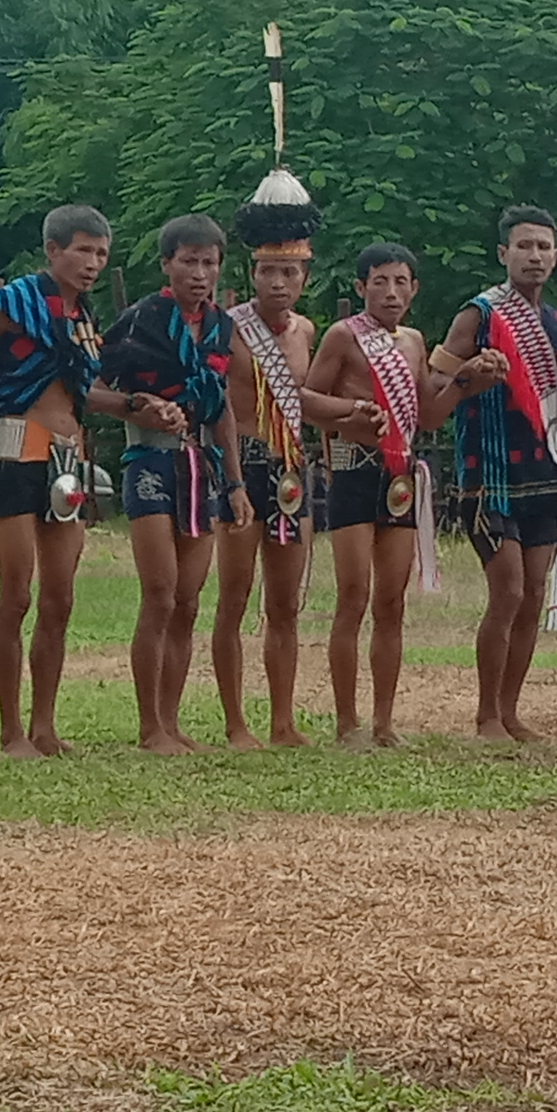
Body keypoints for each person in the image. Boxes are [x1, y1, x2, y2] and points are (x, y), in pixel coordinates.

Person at [0, 205, 157, 756]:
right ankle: (10, 730)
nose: (93, 263)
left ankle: (44, 726)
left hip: (69, 455)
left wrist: (133, 405)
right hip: (19, 443)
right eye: (83, 250)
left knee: (59, 598)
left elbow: (81, 391)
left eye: (101, 254)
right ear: (53, 250)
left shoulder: (82, 318)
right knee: (16, 594)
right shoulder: (15, 302)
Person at [208, 170, 357, 748]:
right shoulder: (228, 328)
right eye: (268, 271)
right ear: (252, 273)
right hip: (243, 463)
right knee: (234, 597)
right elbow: (218, 402)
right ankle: (235, 722)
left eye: (289, 272)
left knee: (286, 603)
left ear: (305, 276)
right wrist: (229, 476)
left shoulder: (306, 331)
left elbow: (305, 400)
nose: (278, 282)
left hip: (290, 468)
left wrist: (352, 415)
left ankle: (282, 720)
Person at [429, 207, 557, 742]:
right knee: (509, 591)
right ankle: (486, 715)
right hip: (488, 473)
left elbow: (555, 388)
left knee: (535, 594)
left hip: (544, 469)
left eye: (543, 247)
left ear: (555, 256)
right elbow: (434, 387)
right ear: (503, 254)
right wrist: (470, 376)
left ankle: (511, 710)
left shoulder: (556, 324)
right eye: (524, 246)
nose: (534, 256)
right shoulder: (479, 316)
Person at [100, 214, 241, 752]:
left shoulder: (222, 327)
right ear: (167, 264)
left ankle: (172, 720)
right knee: (159, 593)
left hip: (201, 466)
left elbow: (221, 407)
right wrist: (136, 405)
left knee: (187, 601)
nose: (200, 274)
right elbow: (89, 385)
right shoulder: (142, 320)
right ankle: (149, 726)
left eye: (209, 263)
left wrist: (235, 482)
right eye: (189, 262)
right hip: (150, 459)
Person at [308, 242, 434, 745]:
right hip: (353, 469)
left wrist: (468, 380)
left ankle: (384, 722)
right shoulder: (344, 336)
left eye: (401, 282)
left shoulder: (415, 342)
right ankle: (347, 722)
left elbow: (429, 412)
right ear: (361, 287)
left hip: (398, 476)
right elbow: (306, 399)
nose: (391, 292)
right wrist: (349, 414)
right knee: (353, 595)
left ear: (415, 289)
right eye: (380, 282)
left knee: (391, 601)